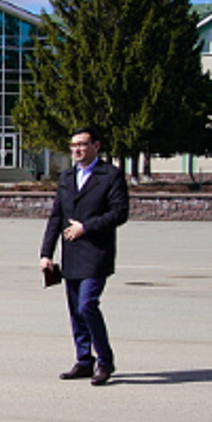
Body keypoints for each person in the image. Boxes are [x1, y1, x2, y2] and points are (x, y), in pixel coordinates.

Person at [38, 126, 129, 386]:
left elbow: (120, 212)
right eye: (73, 145)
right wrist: (46, 253)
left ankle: (105, 361)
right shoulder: (67, 177)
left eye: (82, 144)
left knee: (87, 305)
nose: (77, 149)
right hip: (71, 255)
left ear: (96, 146)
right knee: (75, 312)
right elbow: (56, 216)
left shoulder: (110, 175)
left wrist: (86, 227)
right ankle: (83, 361)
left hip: (97, 253)